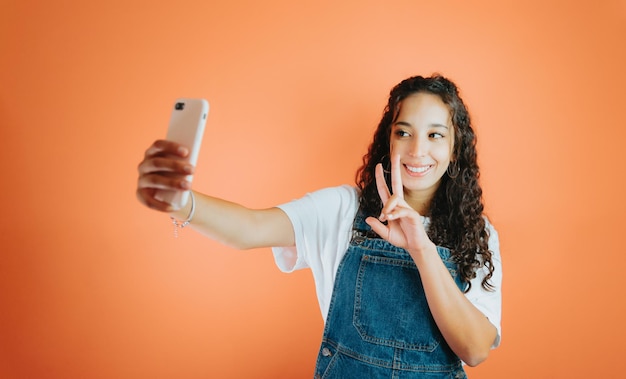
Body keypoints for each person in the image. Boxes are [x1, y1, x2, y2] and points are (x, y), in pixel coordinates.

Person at [136, 74, 502, 378]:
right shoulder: (344, 209)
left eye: (435, 135)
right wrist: (181, 202)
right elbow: (249, 228)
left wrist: (421, 248)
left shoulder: (477, 234)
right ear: (387, 140)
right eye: (403, 132)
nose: (417, 150)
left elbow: (475, 349)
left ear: (455, 148)